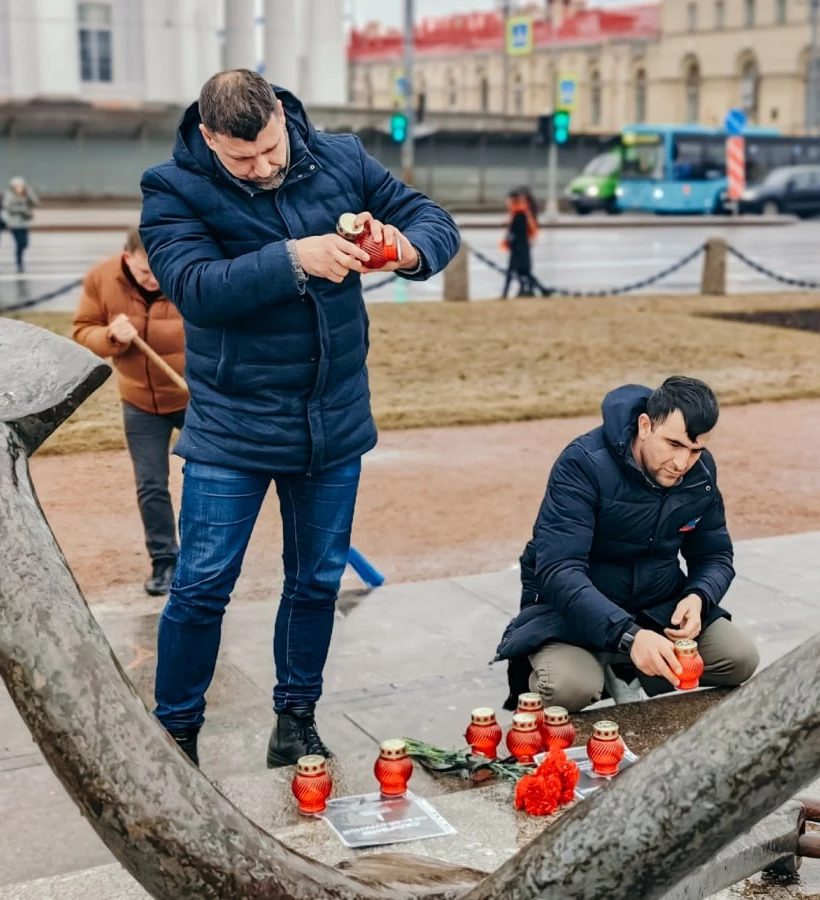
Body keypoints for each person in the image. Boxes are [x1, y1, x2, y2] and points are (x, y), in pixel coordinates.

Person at [138, 69, 460, 769]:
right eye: (240, 159)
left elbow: (435, 221)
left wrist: (404, 249)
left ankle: (296, 720)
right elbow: (196, 289)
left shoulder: (341, 157)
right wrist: (295, 258)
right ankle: (176, 732)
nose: (260, 168)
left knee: (315, 582)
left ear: (283, 115)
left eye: (269, 151)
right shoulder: (171, 189)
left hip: (332, 421)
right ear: (207, 139)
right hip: (233, 427)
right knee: (200, 586)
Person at [494, 376, 760, 713]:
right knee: (567, 689)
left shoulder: (700, 472)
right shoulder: (582, 463)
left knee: (739, 659)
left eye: (696, 450)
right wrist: (630, 636)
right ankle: (600, 665)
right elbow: (558, 570)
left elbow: (715, 553)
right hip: (572, 615)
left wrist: (699, 596)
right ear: (645, 425)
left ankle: (626, 669)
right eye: (674, 444)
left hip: (656, 605)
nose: (682, 463)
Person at [71, 227, 187, 598]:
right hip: (139, 402)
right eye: (143, 272)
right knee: (151, 484)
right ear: (127, 257)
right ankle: (164, 560)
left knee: (213, 476)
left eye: (158, 271)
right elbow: (82, 330)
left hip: (195, 399)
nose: (152, 279)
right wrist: (109, 338)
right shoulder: (102, 277)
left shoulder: (186, 271)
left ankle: (205, 561)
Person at [500, 188, 550, 298]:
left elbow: (518, 232)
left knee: (516, 271)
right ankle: (538, 290)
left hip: (519, 248)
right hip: (521, 247)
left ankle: (506, 294)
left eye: (509, 199)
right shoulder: (519, 211)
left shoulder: (519, 212)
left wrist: (511, 240)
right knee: (523, 272)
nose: (507, 202)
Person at [1, 176, 37, 273]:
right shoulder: (9, 195)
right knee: (19, 243)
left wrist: (29, 192)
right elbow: (7, 207)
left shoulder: (26, 194)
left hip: (24, 223)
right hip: (14, 223)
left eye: (21, 186)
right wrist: (21, 210)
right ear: (13, 187)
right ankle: (19, 262)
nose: (19, 188)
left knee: (25, 243)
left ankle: (19, 259)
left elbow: (35, 202)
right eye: (17, 186)